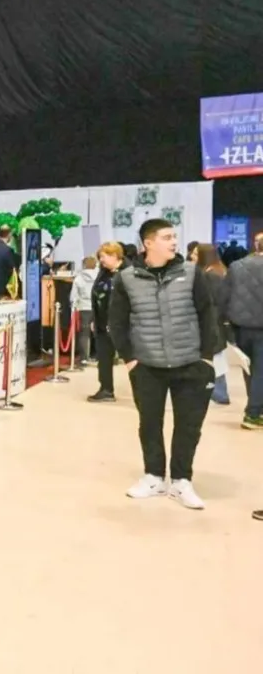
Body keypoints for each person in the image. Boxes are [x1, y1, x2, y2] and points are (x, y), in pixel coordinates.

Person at [109, 218, 222, 510]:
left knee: (189, 426)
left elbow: (207, 314)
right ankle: (154, 476)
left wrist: (207, 357)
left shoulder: (191, 272)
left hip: (191, 363)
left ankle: (182, 481)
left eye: (174, 237)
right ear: (148, 243)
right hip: (147, 366)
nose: (174, 242)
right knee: (149, 423)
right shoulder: (126, 278)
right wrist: (130, 360)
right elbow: (117, 322)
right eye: (167, 237)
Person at [223, 230, 263, 430]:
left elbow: (225, 295)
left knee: (249, 369)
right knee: (261, 371)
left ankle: (257, 408)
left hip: (240, 326)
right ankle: (253, 413)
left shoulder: (236, 266)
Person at [193, 243, 231, 405]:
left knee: (215, 359)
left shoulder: (211, 275)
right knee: (216, 358)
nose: (192, 256)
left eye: (195, 254)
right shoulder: (217, 271)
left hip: (213, 324)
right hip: (216, 324)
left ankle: (219, 392)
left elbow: (216, 302)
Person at [88, 242, 126, 402]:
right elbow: (97, 296)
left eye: (103, 257)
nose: (101, 260)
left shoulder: (128, 272)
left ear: (114, 255)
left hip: (122, 324)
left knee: (132, 359)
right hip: (102, 323)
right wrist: (94, 318)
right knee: (103, 359)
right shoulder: (103, 272)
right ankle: (106, 389)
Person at [71, 255, 98, 363]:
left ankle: (84, 358)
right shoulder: (100, 276)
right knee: (99, 332)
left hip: (84, 307)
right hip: (98, 307)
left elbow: (74, 295)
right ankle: (97, 355)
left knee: (84, 334)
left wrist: (74, 306)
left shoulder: (79, 278)